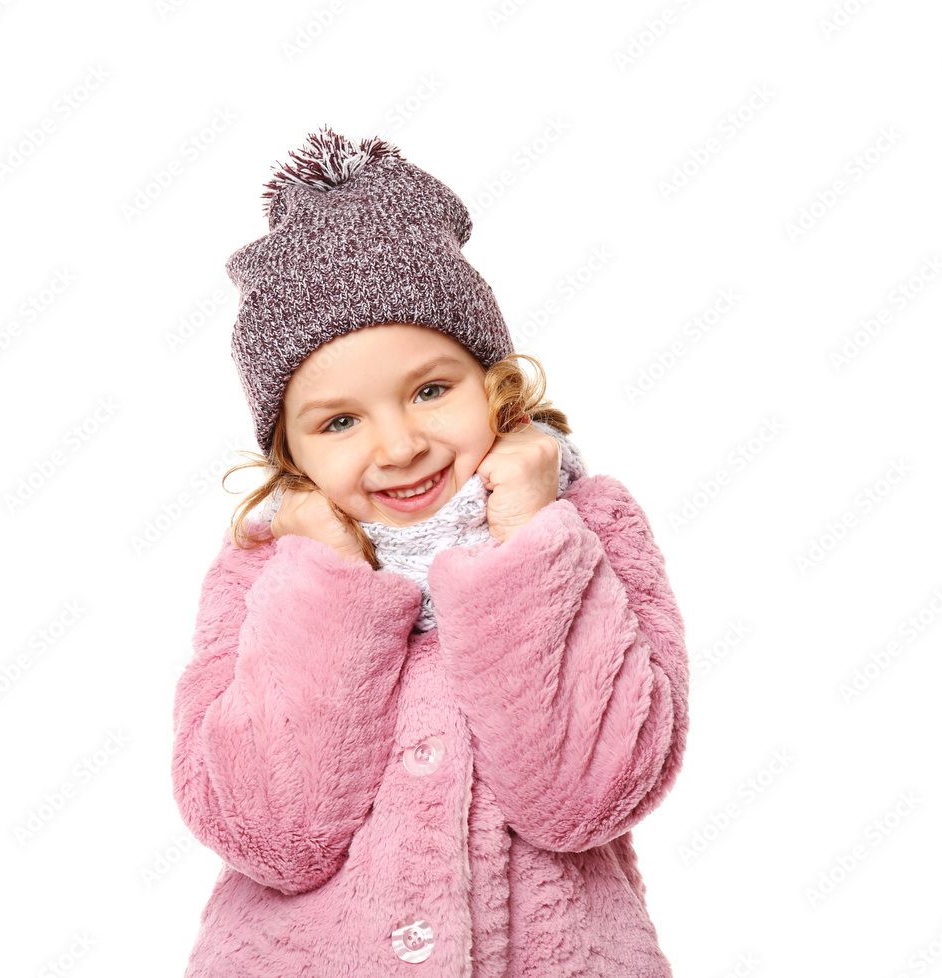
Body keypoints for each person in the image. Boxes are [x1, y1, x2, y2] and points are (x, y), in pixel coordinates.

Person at [171, 125, 690, 977]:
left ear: (495, 383)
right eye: (339, 421)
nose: (399, 445)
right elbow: (269, 834)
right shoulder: (267, 572)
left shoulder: (583, 528)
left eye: (431, 390)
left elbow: (590, 796)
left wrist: (527, 534)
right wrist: (328, 581)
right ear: (290, 454)